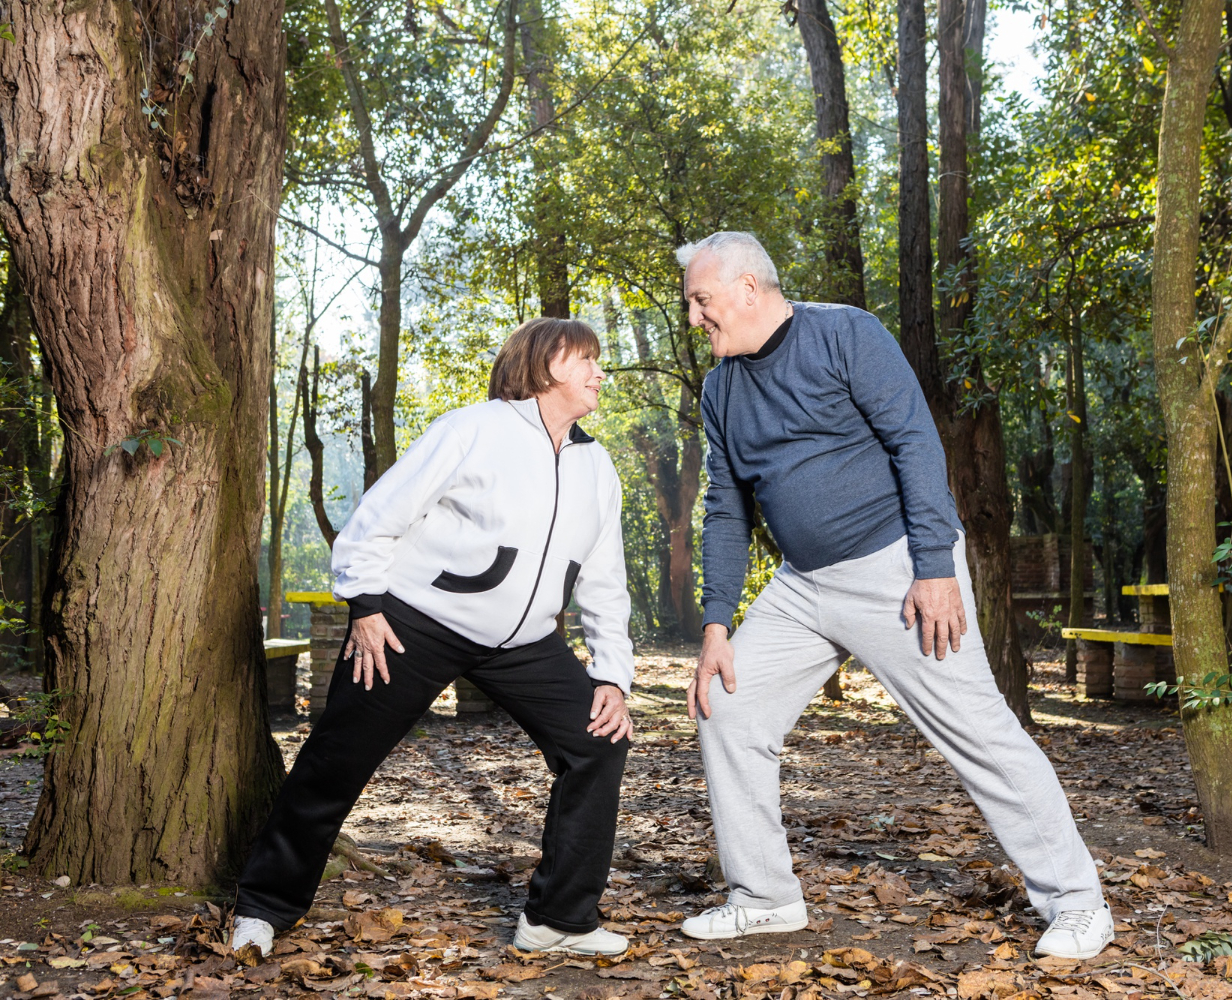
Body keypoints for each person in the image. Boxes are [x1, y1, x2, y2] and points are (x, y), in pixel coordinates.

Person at [675, 232, 1113, 959]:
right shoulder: (721, 389)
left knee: (979, 731)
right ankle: (764, 897)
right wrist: (717, 624)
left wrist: (935, 565)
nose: (694, 318)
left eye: (701, 299)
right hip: (800, 587)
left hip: (895, 571)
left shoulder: (846, 333)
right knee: (726, 704)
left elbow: (915, 441)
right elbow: (726, 508)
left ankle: (1078, 903)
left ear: (748, 287)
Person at [231, 318, 635, 958]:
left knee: (597, 743)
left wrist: (612, 672)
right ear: (548, 363)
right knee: (337, 760)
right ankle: (264, 906)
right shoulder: (473, 429)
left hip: (525, 643)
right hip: (414, 626)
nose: (599, 373)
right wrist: (365, 605)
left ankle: (558, 918)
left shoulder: (597, 464)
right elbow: (380, 514)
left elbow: (606, 579)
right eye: (587, 359)